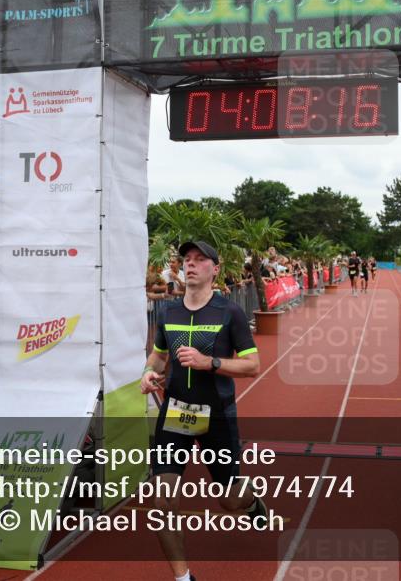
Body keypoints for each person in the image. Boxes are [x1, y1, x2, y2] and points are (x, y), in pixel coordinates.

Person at [140, 241, 269, 581]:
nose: (191, 264)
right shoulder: (169, 312)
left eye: (200, 260)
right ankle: (184, 578)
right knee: (163, 499)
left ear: (215, 268)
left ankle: (250, 500)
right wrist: (148, 372)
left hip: (217, 416)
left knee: (229, 500)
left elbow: (253, 365)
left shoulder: (230, 312)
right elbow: (158, 356)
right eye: (187, 259)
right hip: (175, 414)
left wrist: (208, 362)